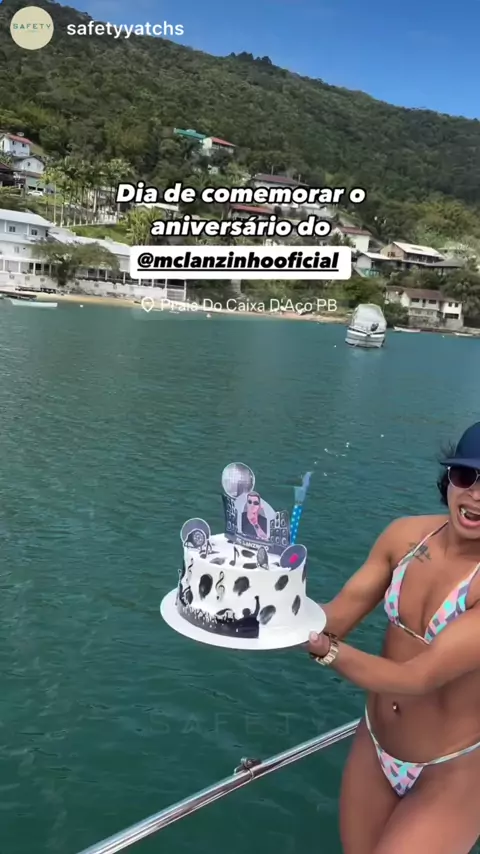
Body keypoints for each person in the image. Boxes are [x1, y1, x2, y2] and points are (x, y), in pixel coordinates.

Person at [307, 422, 480, 854]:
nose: (476, 494)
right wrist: (277, 604)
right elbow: (336, 617)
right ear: (449, 480)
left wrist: (328, 652)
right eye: (466, 476)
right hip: (376, 744)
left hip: (451, 767)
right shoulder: (404, 537)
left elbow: (420, 677)